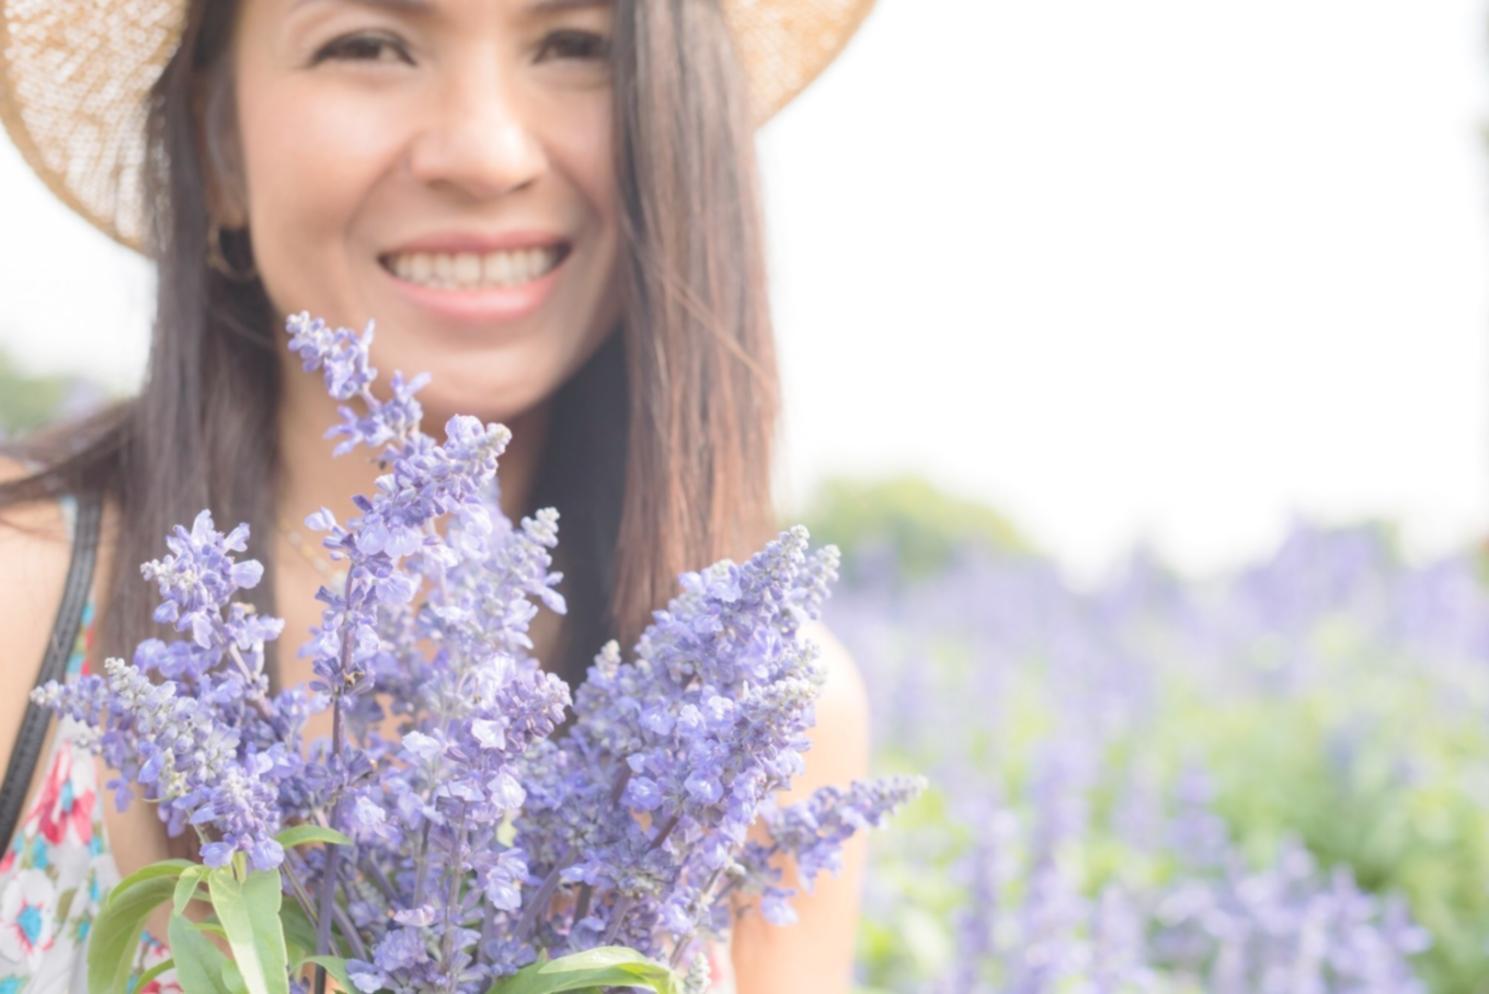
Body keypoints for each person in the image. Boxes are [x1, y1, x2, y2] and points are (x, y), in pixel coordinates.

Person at [0, 1, 875, 991]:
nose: (485, 154)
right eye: (367, 44)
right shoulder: (20, 595)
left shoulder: (760, 716)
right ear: (219, 148)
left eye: (577, 46)